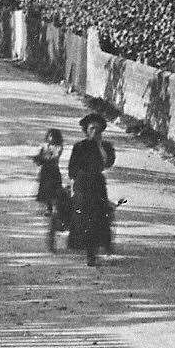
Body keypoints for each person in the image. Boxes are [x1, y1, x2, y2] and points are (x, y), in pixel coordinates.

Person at [67, 112, 116, 265]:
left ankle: (95, 251)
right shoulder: (79, 147)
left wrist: (100, 146)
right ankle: (89, 251)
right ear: (86, 130)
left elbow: (108, 163)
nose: (95, 132)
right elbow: (71, 170)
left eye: (98, 129)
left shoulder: (105, 147)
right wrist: (78, 179)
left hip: (98, 186)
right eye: (92, 129)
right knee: (85, 219)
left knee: (99, 217)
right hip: (82, 185)